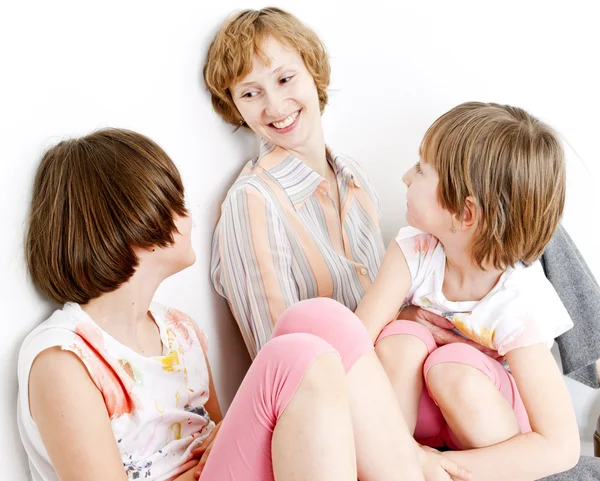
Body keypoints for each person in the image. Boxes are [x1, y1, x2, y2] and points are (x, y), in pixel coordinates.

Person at [204, 8, 600, 479]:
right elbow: (309, 347)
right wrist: (410, 323)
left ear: (313, 72)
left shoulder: (355, 179)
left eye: (285, 78)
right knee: (398, 338)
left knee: (457, 352)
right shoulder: (256, 202)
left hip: (454, 399)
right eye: (250, 93)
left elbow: (557, 443)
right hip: (354, 395)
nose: (273, 105)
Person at [18, 128, 469, 481]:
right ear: (129, 223)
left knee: (315, 317)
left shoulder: (179, 330)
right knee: (294, 356)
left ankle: (409, 470)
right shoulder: (66, 359)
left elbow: (219, 436)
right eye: (173, 202)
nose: (190, 215)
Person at [355, 102, 579, 479]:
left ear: (465, 213)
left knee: (452, 368)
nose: (406, 176)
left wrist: (441, 466)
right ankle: (389, 467)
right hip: (415, 427)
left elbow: (561, 445)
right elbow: (355, 342)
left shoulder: (518, 300)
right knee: (401, 339)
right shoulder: (414, 251)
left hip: (487, 433)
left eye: (422, 169)